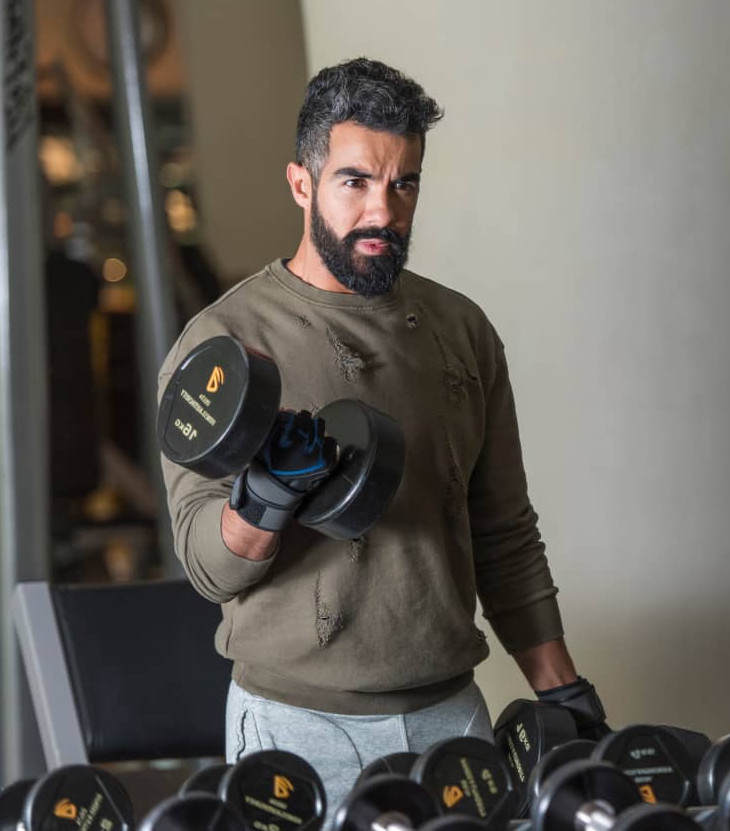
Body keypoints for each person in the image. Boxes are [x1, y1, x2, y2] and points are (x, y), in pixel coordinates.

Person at [158, 58, 604, 808]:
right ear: (302, 183)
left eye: (404, 183)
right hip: (296, 728)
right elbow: (206, 564)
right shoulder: (226, 342)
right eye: (354, 181)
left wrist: (562, 688)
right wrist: (264, 499)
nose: (383, 212)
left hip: (451, 715)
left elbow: (504, 532)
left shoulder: (462, 330)